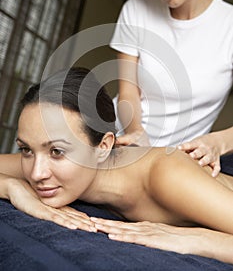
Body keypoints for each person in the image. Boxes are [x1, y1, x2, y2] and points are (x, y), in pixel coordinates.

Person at [0, 66, 233, 264]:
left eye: (57, 151)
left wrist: (196, 239)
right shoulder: (41, 166)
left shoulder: (166, 175)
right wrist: (14, 189)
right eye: (26, 149)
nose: (37, 173)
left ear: (102, 147)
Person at [110, 0, 233, 175]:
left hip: (173, 165)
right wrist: (135, 134)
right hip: (119, 142)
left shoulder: (229, 25)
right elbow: (127, 92)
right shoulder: (136, 10)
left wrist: (217, 142)